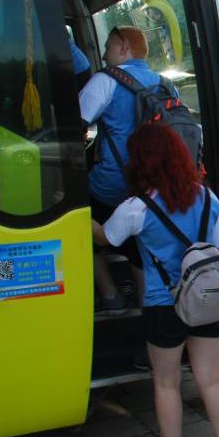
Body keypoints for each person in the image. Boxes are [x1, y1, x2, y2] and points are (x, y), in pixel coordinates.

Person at [90, 122, 219, 437]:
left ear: (139, 162)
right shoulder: (207, 197)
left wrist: (82, 216)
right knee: (210, 380)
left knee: (166, 382)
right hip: (206, 301)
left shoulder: (136, 207)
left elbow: (105, 238)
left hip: (164, 305)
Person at [80, 26, 166, 314]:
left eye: (107, 47)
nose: (105, 55)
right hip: (153, 187)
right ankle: (146, 307)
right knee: (140, 245)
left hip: (112, 186)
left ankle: (110, 296)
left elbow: (74, 125)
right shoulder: (166, 84)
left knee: (77, 221)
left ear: (123, 47)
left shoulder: (105, 80)